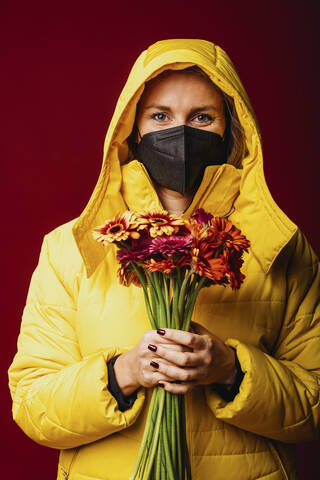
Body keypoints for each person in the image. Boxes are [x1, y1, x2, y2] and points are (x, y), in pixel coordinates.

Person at [8, 38, 320, 480]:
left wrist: (230, 368)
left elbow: (314, 406)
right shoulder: (71, 248)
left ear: (232, 128)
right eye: (160, 116)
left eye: (202, 117)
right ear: (132, 131)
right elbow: (33, 406)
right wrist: (124, 372)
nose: (181, 133)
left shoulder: (280, 249)